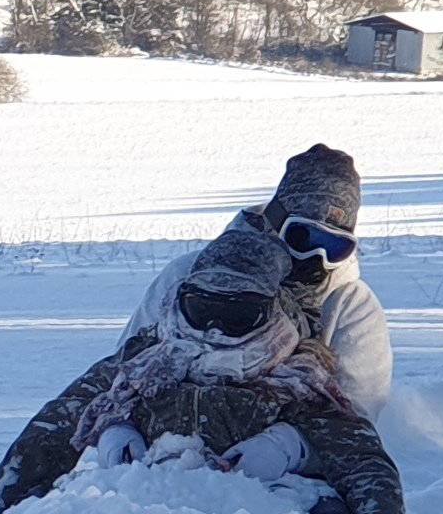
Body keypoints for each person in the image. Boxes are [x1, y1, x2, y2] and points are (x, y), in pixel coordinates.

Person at [0, 206, 408, 514]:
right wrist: (110, 425)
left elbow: (364, 462)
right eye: (201, 309)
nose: (214, 327)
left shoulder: (298, 376)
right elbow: (51, 430)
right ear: (179, 301)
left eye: (236, 316)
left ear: (271, 314)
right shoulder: (145, 358)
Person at [124, 144, 390, 411]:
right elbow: (126, 367)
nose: (317, 257)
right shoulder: (186, 276)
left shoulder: (352, 306)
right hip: (167, 425)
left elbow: (358, 412)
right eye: (302, 236)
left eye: (336, 246)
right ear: (274, 221)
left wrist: (289, 435)